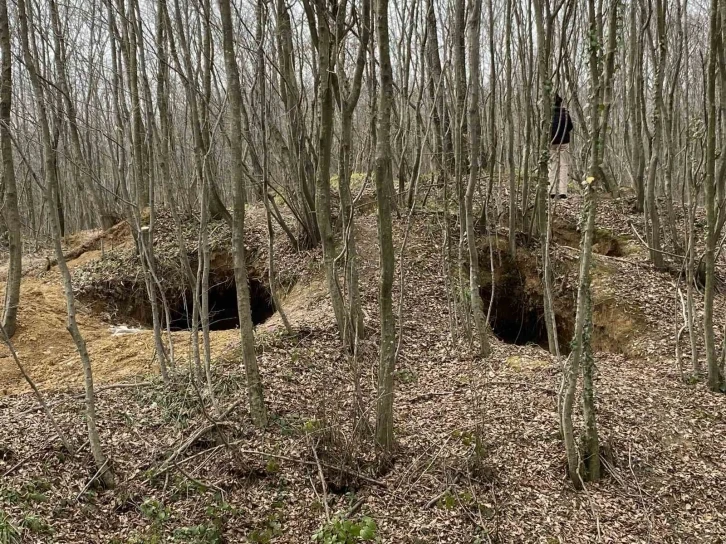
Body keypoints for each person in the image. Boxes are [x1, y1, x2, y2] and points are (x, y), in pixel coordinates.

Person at [549, 93, 573, 199]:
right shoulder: (565, 114)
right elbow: (570, 127)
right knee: (564, 166)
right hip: (564, 142)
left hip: (552, 143)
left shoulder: (548, 114)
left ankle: (552, 191)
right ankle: (563, 192)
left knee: (552, 166)